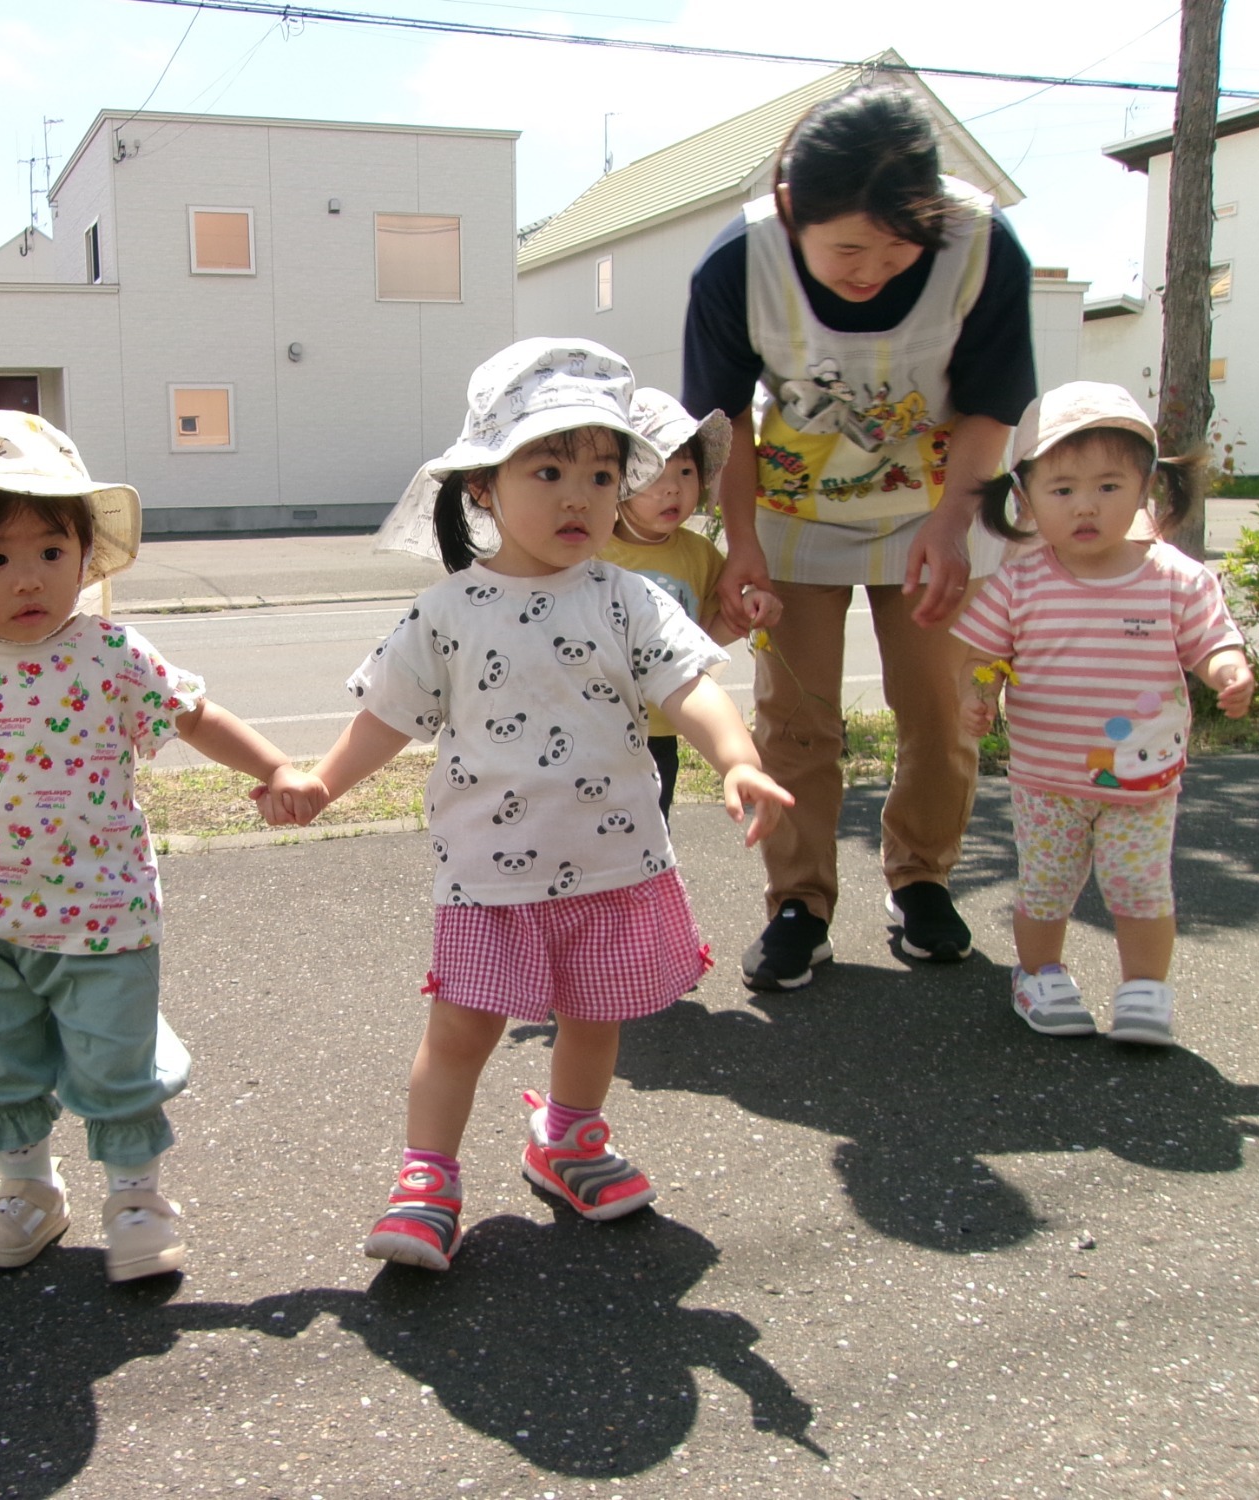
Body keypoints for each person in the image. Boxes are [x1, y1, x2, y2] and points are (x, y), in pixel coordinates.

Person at [277, 340, 792, 1272]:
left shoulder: (629, 598)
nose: (577, 496)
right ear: (482, 488)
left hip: (614, 861)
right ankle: (427, 1175)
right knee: (463, 1024)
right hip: (488, 873)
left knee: (596, 1016)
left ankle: (568, 1138)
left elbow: (691, 687)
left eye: (602, 474)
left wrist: (738, 759)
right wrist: (320, 782)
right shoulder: (448, 612)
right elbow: (386, 717)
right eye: (547, 469)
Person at [0, 411, 324, 1281]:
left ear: (83, 557)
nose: (28, 578)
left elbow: (192, 715)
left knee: (115, 1052)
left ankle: (137, 1192)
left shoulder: (110, 652)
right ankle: (27, 1187)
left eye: (50, 552)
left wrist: (276, 768)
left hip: (102, 899)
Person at [683, 83, 1039, 990]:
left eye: (896, 247)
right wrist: (742, 539)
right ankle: (799, 901)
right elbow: (725, 421)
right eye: (846, 247)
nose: (870, 268)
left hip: (931, 508)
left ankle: (921, 881)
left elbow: (995, 403)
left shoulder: (983, 247)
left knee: (940, 713)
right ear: (794, 211)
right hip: (791, 518)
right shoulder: (738, 265)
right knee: (796, 721)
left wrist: (957, 525)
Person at [954, 384, 1253, 1045]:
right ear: (1026, 501)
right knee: (1045, 888)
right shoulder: (1019, 583)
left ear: (1147, 486)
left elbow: (1211, 640)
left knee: (1142, 890)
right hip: (1045, 781)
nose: (1085, 505)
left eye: (1109, 486)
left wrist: (1229, 670)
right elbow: (982, 654)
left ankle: (1145, 991)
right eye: (1061, 491)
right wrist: (977, 696)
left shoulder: (1175, 578)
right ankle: (1038, 975)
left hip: (1142, 785)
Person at [599, 388, 784, 818]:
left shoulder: (699, 553)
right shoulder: (594, 551)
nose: (672, 490)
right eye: (654, 474)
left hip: (664, 725)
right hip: (595, 725)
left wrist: (751, 605)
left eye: (685, 471)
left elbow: (707, 632)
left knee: (651, 828)